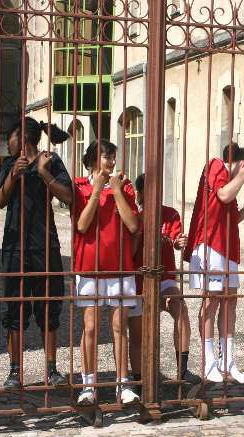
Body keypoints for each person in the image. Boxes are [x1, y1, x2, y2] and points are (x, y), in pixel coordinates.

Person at [0, 117, 72, 389]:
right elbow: (0, 201)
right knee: (13, 309)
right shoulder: (8, 164)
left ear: (23, 138)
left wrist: (44, 174)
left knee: (49, 307)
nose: (8, 141)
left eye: (10, 136)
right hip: (14, 247)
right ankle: (14, 372)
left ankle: (51, 370)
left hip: (45, 245)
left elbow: (69, 197)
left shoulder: (49, 160)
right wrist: (13, 178)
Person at [183, 143, 244, 383]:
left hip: (228, 247)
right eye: (243, 168)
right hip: (210, 244)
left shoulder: (229, 179)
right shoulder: (216, 165)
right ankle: (208, 361)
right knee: (211, 301)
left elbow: (231, 214)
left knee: (230, 301)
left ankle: (228, 360)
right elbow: (223, 195)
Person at [73, 139, 140, 405]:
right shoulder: (80, 187)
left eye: (113, 157)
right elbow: (81, 224)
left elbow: (133, 225)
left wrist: (116, 191)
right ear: (92, 160)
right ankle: (88, 385)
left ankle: (122, 384)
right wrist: (97, 190)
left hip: (121, 267)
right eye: (106, 157)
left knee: (119, 327)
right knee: (90, 327)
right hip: (90, 267)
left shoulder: (124, 187)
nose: (111, 162)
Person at [128, 173, 201, 391]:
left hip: (164, 277)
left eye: (157, 190)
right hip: (139, 280)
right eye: (149, 190)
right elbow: (129, 251)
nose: (154, 195)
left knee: (180, 307)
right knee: (137, 332)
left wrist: (179, 242)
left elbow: (176, 241)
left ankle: (183, 368)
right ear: (140, 193)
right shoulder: (133, 216)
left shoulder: (170, 214)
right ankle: (140, 381)